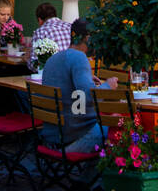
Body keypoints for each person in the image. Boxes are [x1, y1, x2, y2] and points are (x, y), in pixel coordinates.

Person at [40, 18, 115, 155]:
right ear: (87, 38)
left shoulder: (53, 59)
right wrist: (108, 86)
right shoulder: (79, 58)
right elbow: (87, 97)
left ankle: (88, 175)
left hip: (52, 137)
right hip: (73, 138)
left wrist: (86, 79)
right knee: (121, 125)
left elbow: (71, 91)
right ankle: (95, 176)